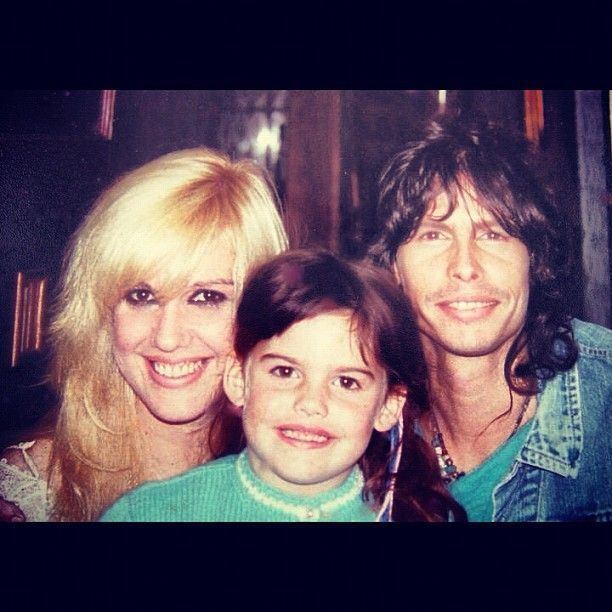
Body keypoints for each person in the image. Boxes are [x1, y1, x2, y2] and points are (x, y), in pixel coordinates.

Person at [0, 147, 288, 521]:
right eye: (141, 296)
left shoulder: (302, 482)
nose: (167, 338)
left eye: (206, 297)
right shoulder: (30, 494)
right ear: (101, 314)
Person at [100, 249, 465, 521]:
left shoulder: (419, 519)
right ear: (238, 379)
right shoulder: (149, 514)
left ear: (387, 406)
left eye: (346, 381)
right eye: (285, 372)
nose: (311, 403)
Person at [368, 114, 612, 521]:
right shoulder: (354, 413)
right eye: (433, 234)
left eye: (494, 233)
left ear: (534, 259)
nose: (465, 266)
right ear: (393, 266)